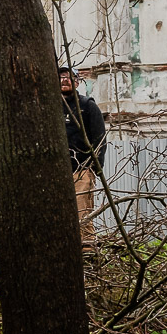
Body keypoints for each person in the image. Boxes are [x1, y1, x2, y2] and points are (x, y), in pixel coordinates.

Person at [60, 66, 107, 222]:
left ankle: (86, 240)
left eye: (69, 77)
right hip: (56, 173)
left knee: (82, 218)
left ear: (77, 82)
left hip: (81, 171)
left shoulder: (87, 105)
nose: (64, 80)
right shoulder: (50, 107)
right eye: (61, 77)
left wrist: (94, 167)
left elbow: (100, 138)